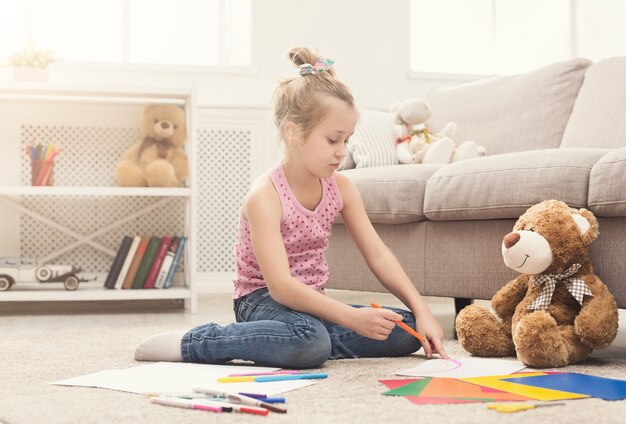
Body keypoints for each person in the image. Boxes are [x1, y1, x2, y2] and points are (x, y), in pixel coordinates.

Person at [135, 47, 449, 368]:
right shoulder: (265, 196)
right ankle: (198, 341)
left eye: (347, 140)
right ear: (293, 133)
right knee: (310, 342)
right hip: (260, 301)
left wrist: (423, 312)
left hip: (312, 304)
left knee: (404, 328)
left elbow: (378, 255)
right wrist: (352, 319)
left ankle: (293, 341)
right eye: (332, 140)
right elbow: (282, 287)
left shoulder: (342, 187)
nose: (341, 152)